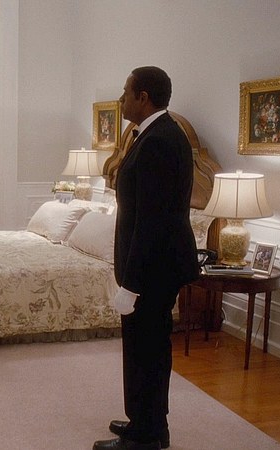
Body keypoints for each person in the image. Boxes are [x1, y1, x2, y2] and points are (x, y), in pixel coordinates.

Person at [93, 67, 199, 450]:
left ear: (143, 97)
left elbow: (152, 222)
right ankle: (147, 422)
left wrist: (132, 284)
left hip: (153, 270)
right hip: (151, 267)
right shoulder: (152, 135)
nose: (121, 99)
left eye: (126, 92)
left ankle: (147, 435)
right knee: (144, 349)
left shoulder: (160, 141)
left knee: (148, 351)